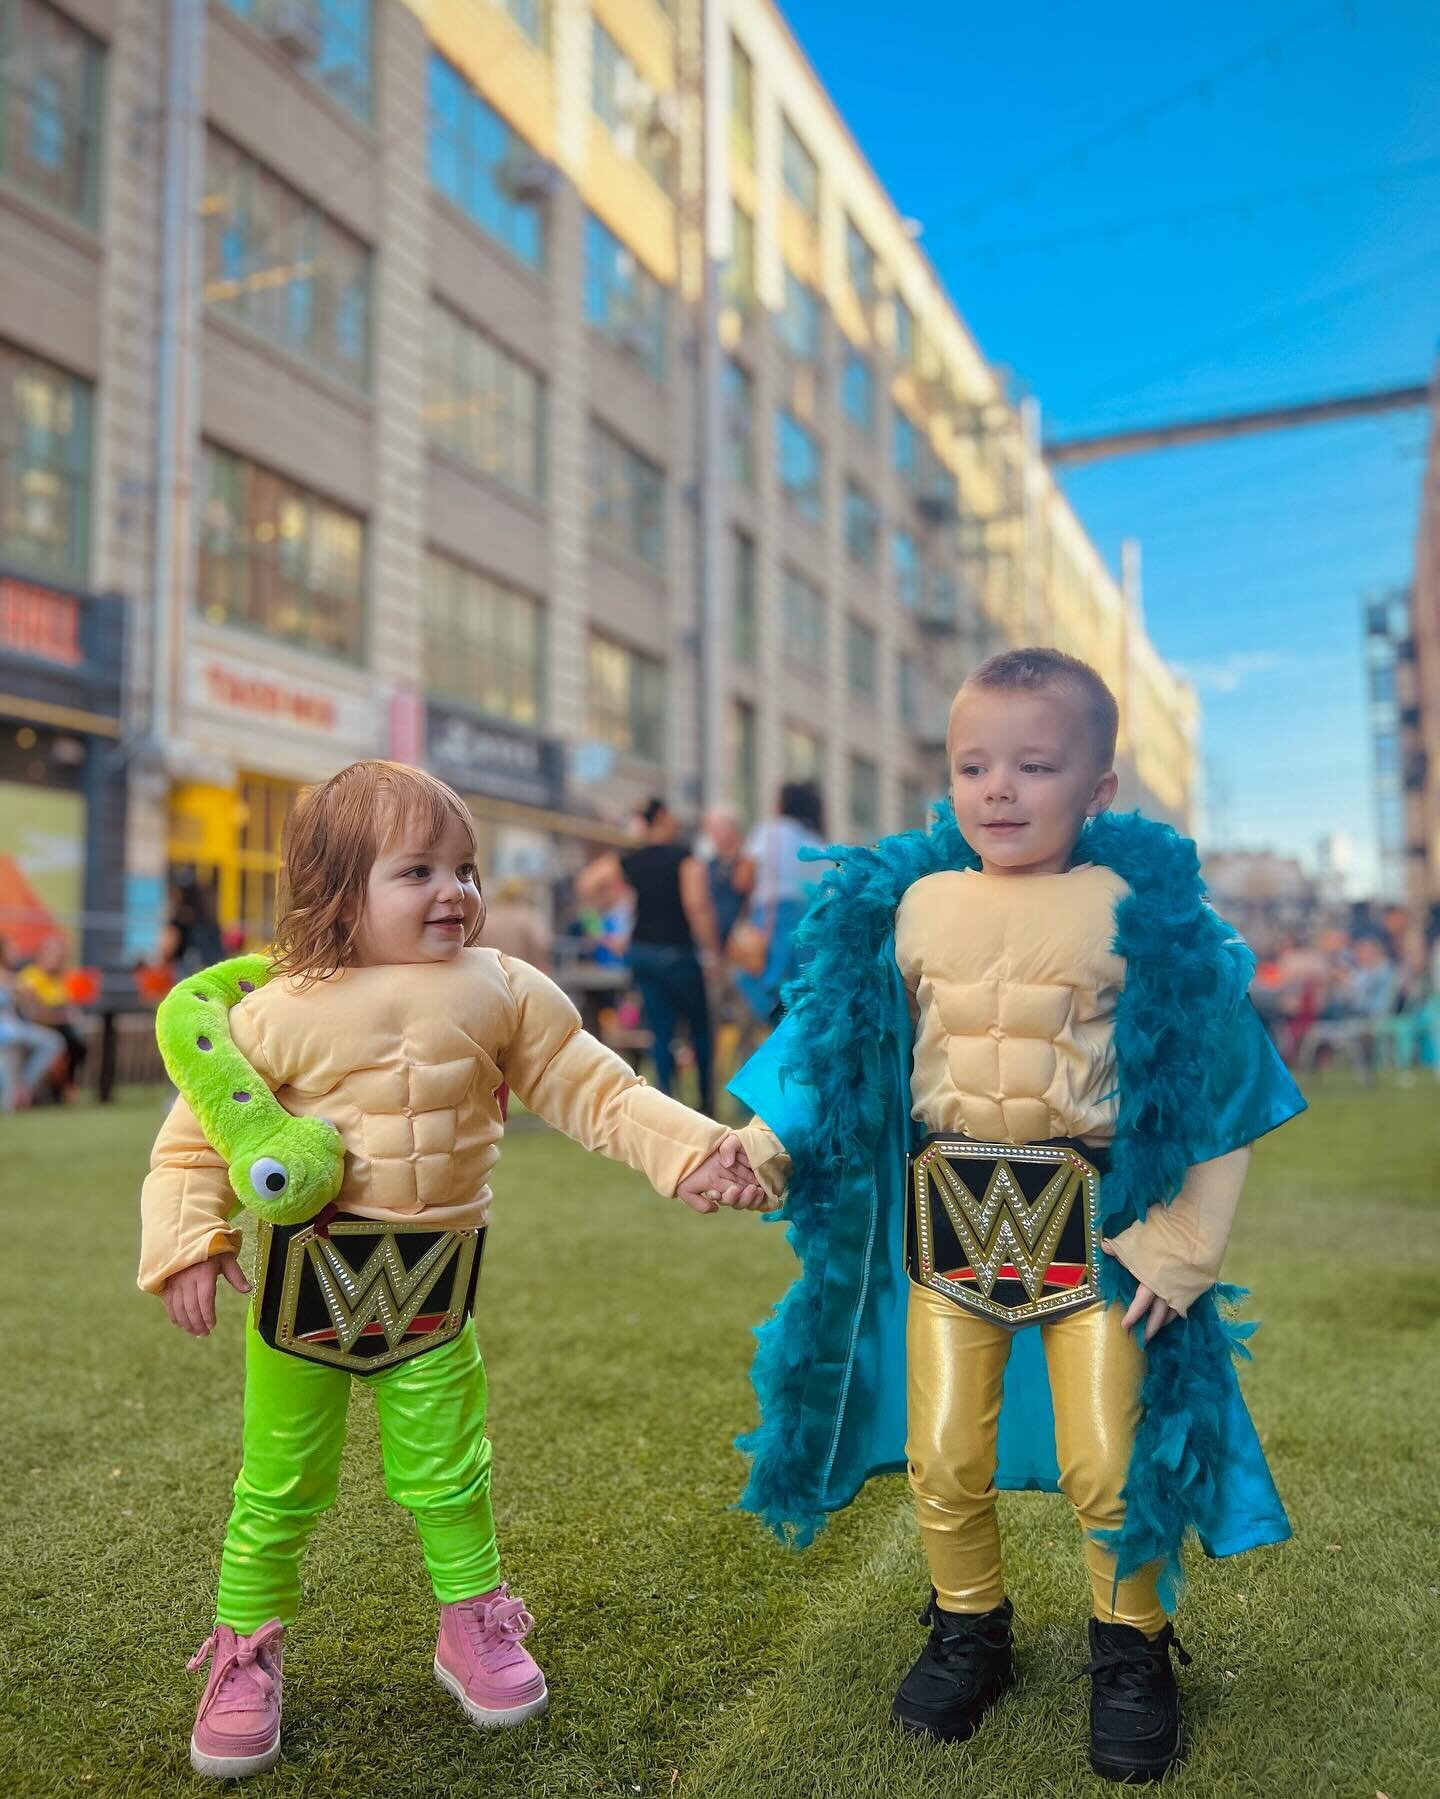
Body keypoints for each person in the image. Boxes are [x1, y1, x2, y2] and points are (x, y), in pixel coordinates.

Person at [724, 649, 1305, 1785]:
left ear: (1098, 785)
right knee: (944, 1451)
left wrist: (1187, 1244)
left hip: (1100, 1227)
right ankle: (966, 1624)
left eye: (1034, 764)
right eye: (974, 763)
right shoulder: (913, 906)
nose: (998, 788)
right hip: (947, 1219)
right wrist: (757, 1139)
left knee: (1108, 1460)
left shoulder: (1148, 915)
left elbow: (1223, 1081)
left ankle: (1131, 1647)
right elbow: (833, 1045)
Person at [138, 761, 763, 1780]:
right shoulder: (276, 1009)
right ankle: (245, 1647)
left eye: (464, 867)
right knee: (280, 1479)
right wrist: (185, 1243)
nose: (454, 891)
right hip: (305, 1293)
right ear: (340, 892)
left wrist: (687, 1149)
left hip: (433, 1293)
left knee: (450, 1469)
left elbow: (596, 1085)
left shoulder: (503, 986)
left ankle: (472, 1619)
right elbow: (195, 1144)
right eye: (418, 869)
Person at [578, 798, 721, 1114]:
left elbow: (587, 883)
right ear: (664, 817)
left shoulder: (631, 860)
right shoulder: (685, 857)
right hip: (678, 953)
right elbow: (697, 904)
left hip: (643, 953)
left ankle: (667, 1103)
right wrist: (711, 954)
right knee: (699, 1029)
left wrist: (603, 914)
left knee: (661, 1030)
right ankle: (705, 1103)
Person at [731, 781, 825, 1025]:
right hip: (810, 923)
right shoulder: (818, 843)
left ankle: (778, 1032)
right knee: (802, 992)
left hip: (773, 919)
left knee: (752, 977)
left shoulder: (771, 831)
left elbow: (742, 879)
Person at [15, 934, 88, 1101]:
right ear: (39, 955)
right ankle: (25, 1090)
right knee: (63, 1043)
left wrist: (68, 1015)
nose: (55, 958)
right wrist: (62, 1017)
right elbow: (32, 1013)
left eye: (58, 954)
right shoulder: (30, 977)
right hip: (35, 1027)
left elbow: (68, 1004)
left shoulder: (60, 979)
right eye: (50, 953)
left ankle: (63, 1087)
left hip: (58, 1029)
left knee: (77, 1044)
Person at [0, 939, 65, 1112]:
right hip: (8, 1031)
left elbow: (29, 1000)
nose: (16, 953)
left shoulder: (11, 976)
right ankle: (22, 1088)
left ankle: (19, 1090)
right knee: (53, 1042)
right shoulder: (10, 977)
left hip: (13, 1031)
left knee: (51, 1043)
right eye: (11, 949)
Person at [477, 876, 551, 972]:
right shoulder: (528, 917)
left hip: (493, 973)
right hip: (523, 973)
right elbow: (540, 945)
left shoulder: (487, 917)